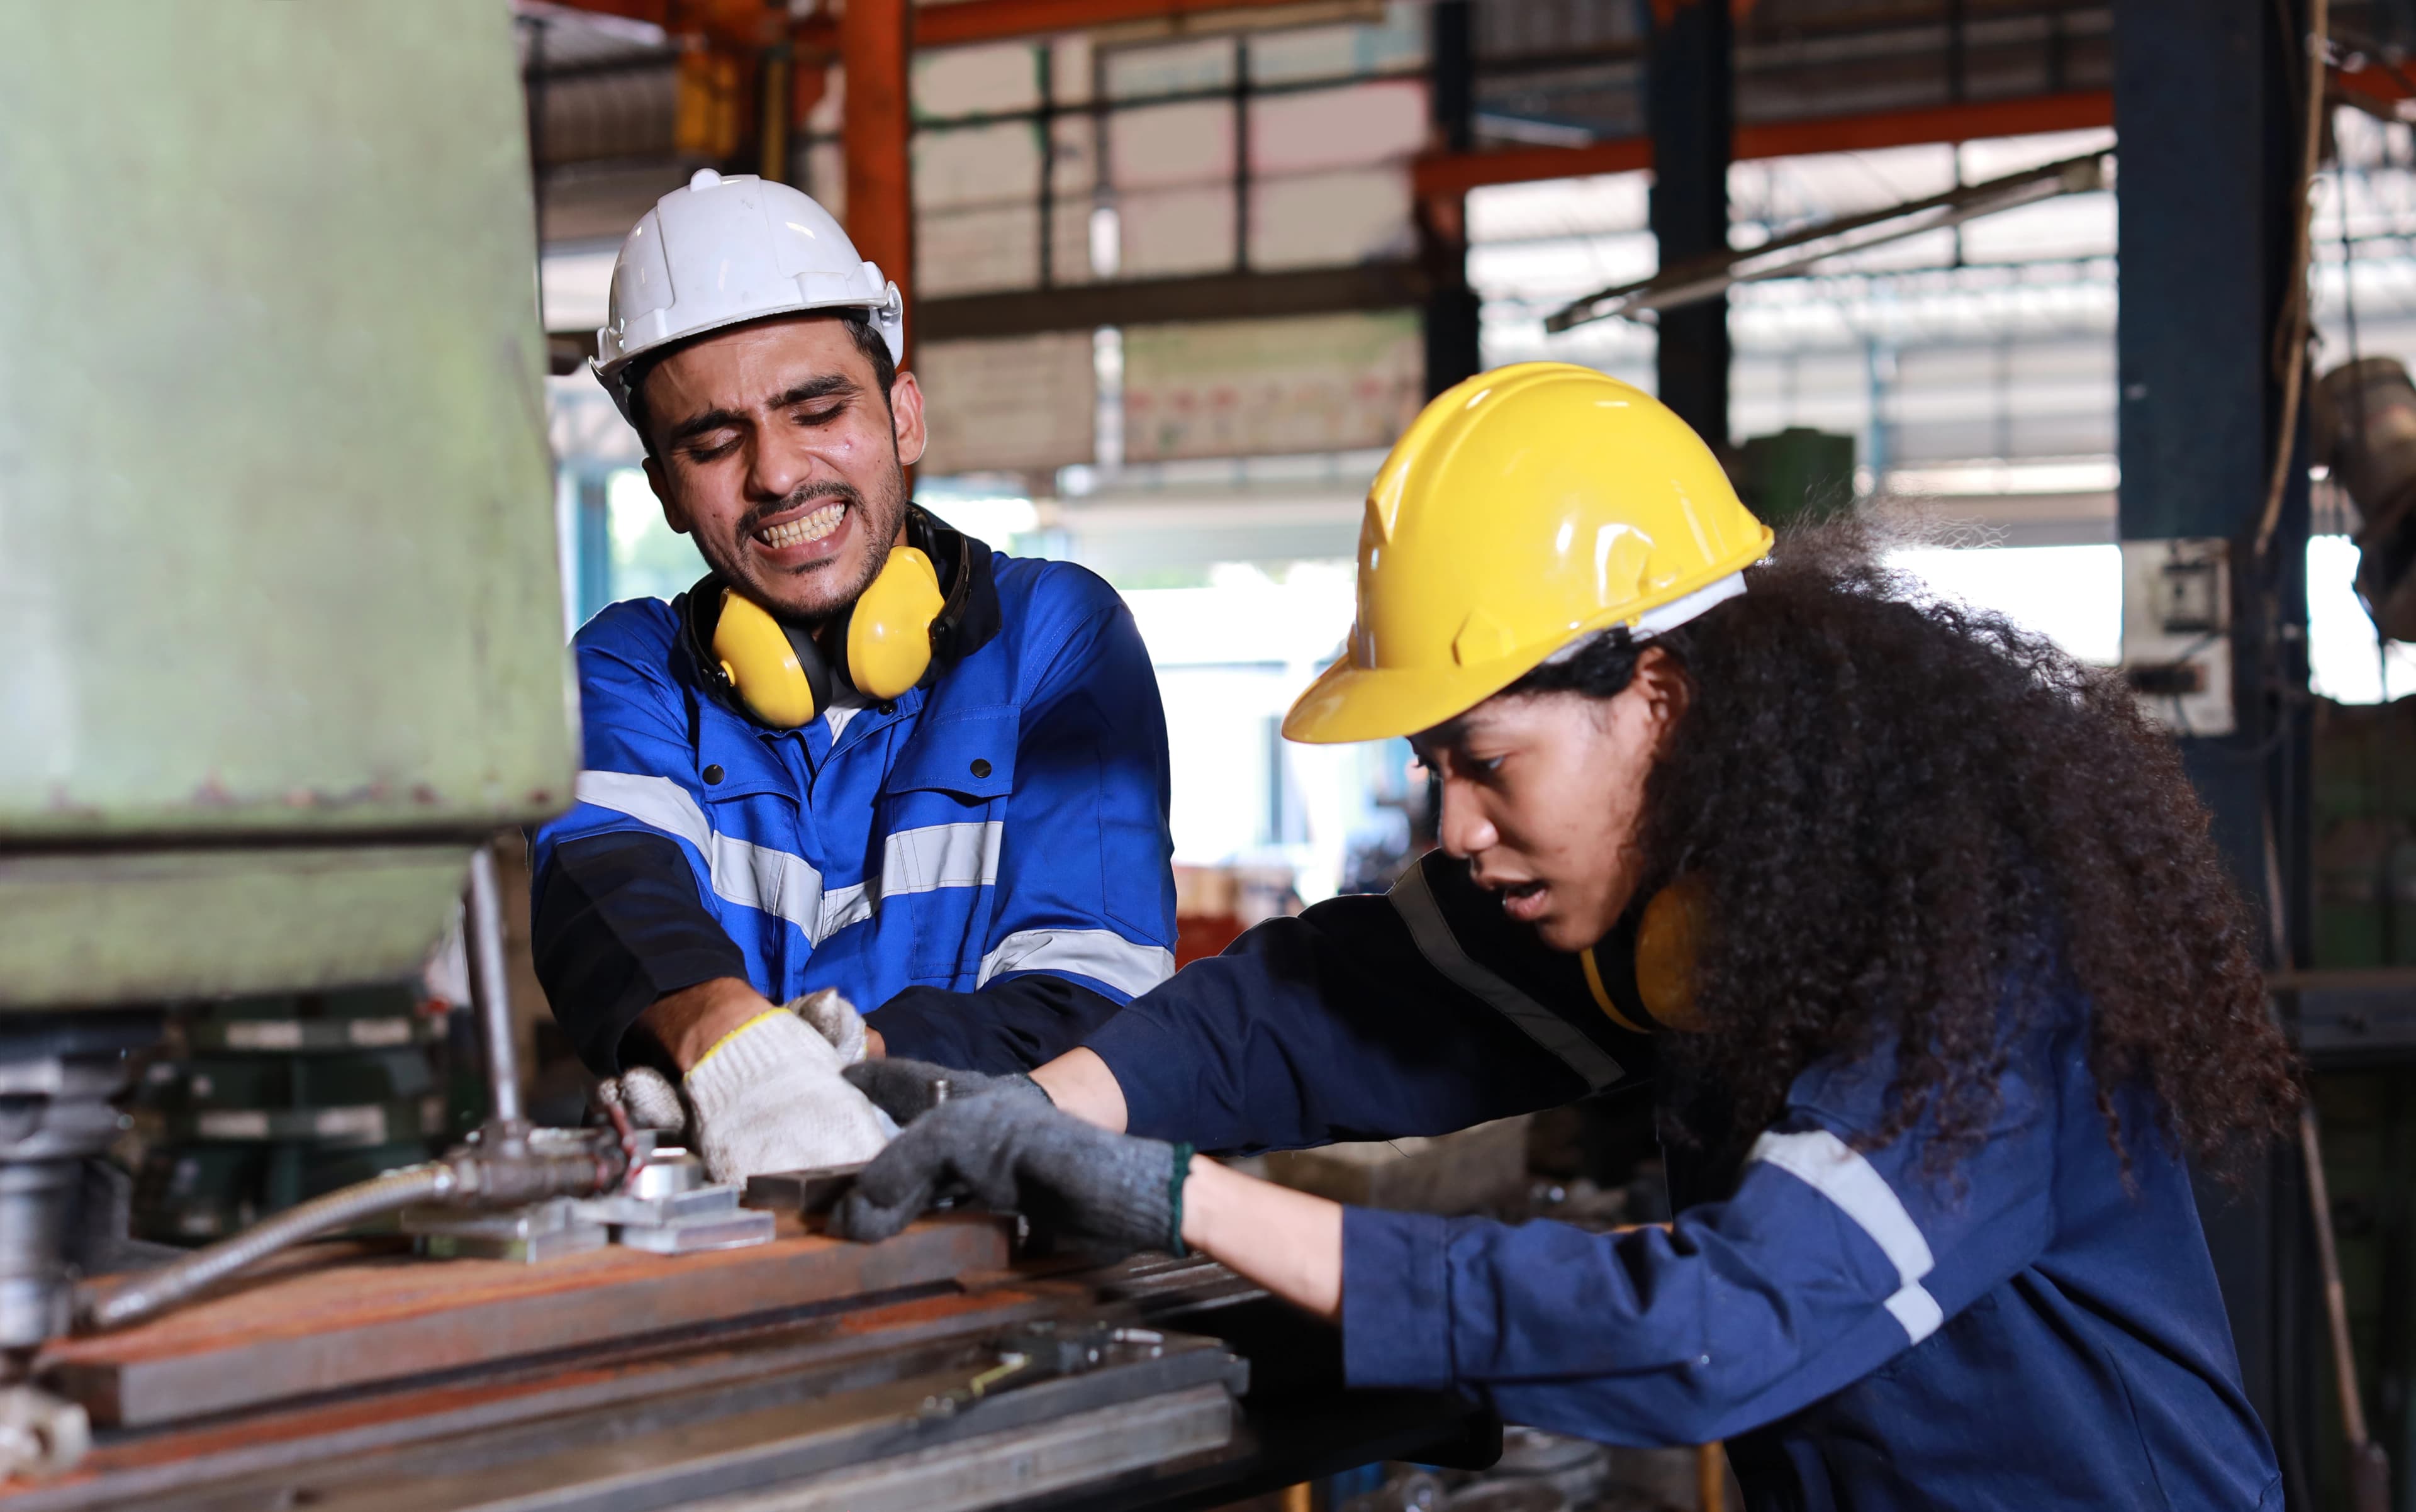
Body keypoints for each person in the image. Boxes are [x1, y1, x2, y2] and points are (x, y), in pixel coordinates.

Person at [832, 362, 2301, 1509]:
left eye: (1487, 761)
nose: (1457, 828)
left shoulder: (1969, 965)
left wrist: (1168, 1199)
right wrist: (1033, 1114)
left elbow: (1721, 1326)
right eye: (1437, 776)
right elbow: (1311, 1005)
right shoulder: (1686, 891)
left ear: (1653, 695)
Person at [530, 171, 1177, 1180]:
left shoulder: (1054, 635)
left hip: (1001, 1229)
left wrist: (837, 1068)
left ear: (903, 416)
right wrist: (725, 1042)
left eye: (816, 408)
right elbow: (606, 884)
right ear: (662, 488)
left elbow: (1093, 992)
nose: (778, 473)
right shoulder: (628, 673)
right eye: (712, 440)